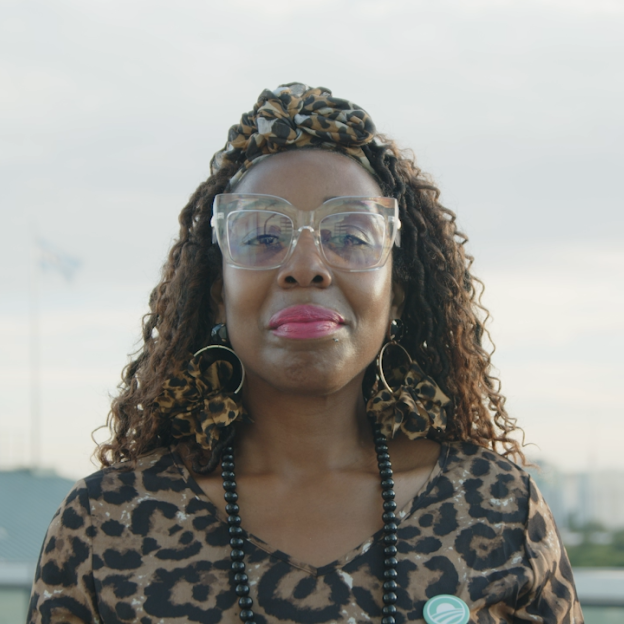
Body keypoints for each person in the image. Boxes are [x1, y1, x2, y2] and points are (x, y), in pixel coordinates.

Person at [28, 83, 582, 624]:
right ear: (219, 295)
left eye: (351, 235)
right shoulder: (106, 522)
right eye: (264, 236)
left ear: (398, 297)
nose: (306, 265)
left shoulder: (502, 509)